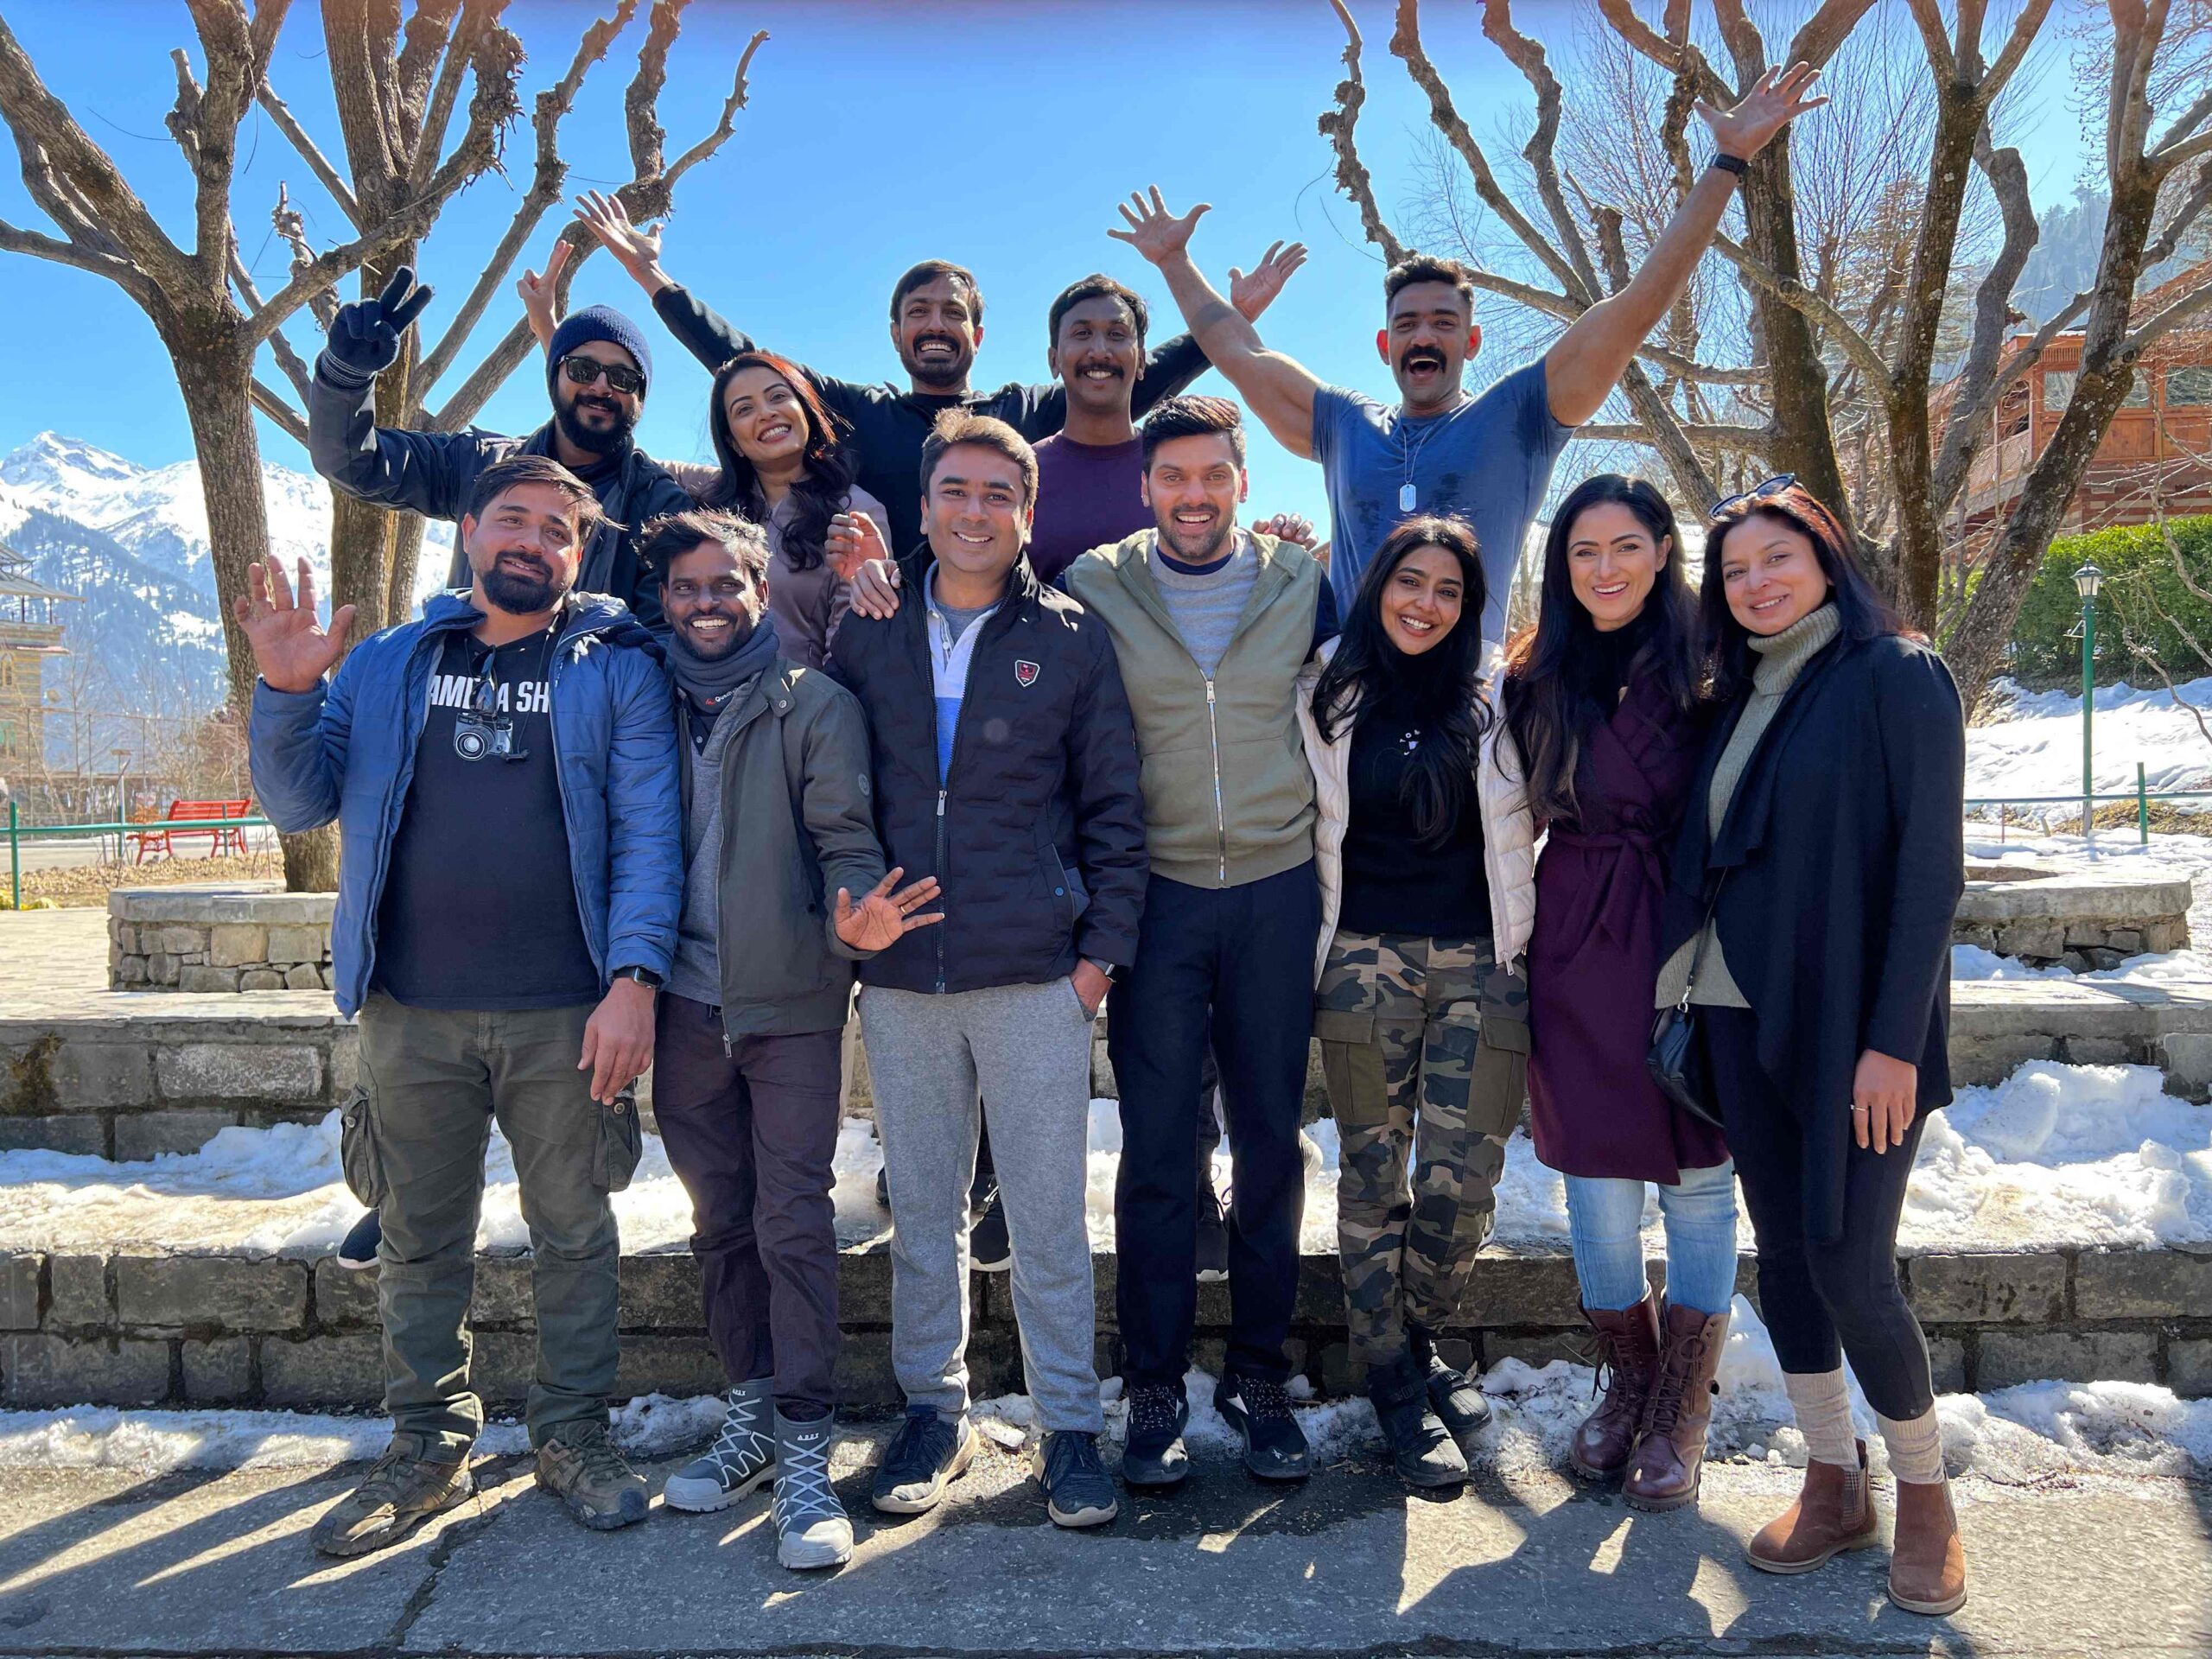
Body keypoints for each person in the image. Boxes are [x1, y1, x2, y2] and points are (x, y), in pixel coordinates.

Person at [239, 455, 683, 1552]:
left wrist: (634, 980)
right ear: (471, 532)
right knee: (419, 1236)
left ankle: (572, 1433)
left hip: (566, 1009)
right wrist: (287, 690)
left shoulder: (619, 668)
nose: (533, 540)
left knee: (575, 1230)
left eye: (558, 529)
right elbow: (298, 801)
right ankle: (427, 1441)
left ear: (581, 554)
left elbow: (649, 831)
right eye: (512, 519)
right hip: (411, 1006)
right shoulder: (388, 661)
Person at [1103, 61, 1829, 645]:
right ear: (1386, 345)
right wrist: (1174, 263)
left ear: (1470, 341)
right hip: (1345, 708)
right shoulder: (1343, 426)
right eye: (1409, 324)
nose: (1425, 336)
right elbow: (1238, 351)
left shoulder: (1521, 417)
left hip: (1468, 710)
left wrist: (1728, 159)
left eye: (1443, 323)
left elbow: (1637, 306)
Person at [829, 410, 1147, 1529]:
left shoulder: (1069, 636)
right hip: (902, 979)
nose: (975, 512)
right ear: (922, 507)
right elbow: (834, 795)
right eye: (955, 491)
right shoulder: (867, 627)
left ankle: (1069, 1427)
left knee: (1049, 1218)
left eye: (997, 494)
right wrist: (850, 920)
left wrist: (1097, 961)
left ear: (1027, 511)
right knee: (925, 1213)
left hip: (1032, 976)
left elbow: (1115, 808)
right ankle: (933, 1411)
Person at [1654, 478, 1967, 1615]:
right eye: (1734, 571)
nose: (1755, 583)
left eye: (1775, 559)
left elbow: (1930, 872)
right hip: (1742, 1016)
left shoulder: (1896, 675)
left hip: (1855, 1031)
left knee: (1850, 1263)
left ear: (1827, 558)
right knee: (1784, 1256)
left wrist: (1893, 1044)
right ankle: (1834, 1479)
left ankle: (1925, 1495)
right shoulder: (1738, 696)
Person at [639, 509, 942, 1569]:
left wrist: (856, 915)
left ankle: (807, 1446)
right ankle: (752, 1416)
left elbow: (844, 836)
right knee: (718, 1223)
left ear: (761, 592)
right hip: (680, 1006)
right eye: (687, 587)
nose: (706, 603)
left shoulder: (814, 703)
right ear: (664, 600)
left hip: (792, 1006)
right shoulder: (643, 696)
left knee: (792, 1221)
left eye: (726, 584)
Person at [1060, 397, 1336, 1489]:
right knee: (1160, 1147)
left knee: (1270, 1143)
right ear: (1144, 486)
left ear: (1242, 481)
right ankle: (1155, 1382)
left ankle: (1258, 1374)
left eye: (1212, 474)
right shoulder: (1095, 586)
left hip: (1275, 888)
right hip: (1158, 897)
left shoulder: (1299, 581)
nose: (1192, 495)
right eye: (1171, 476)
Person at [563, 189, 1305, 555]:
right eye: (918, 313)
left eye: (952, 313)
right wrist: (655, 280)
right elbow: (749, 364)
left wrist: (1224, 327)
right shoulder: (861, 411)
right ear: (896, 334)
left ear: (977, 334)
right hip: (884, 629)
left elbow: (1122, 378)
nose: (936, 325)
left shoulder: (1023, 413)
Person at [1503, 475, 1733, 1508]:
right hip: (1575, 937)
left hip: (1691, 931)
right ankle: (1629, 1382)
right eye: (1583, 550)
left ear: (1662, 550)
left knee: (1699, 1174)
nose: (1605, 568)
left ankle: (1682, 1405)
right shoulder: (1535, 674)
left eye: (1625, 545)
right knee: (1593, 1179)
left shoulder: (1715, 661)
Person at [1296, 515, 1535, 1491]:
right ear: (1377, 585)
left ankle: (1422, 1332)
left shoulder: (1500, 693)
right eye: (1410, 582)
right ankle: (1391, 1373)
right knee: (1372, 1172)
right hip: (1362, 960)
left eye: (1448, 590)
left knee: (1463, 1177)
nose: (1425, 604)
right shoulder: (1323, 685)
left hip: (1484, 961)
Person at [307, 266, 691, 632]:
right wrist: (346, 377)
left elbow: (666, 638)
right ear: (554, 377)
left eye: (623, 378)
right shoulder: (480, 463)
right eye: (583, 370)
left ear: (641, 398)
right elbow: (354, 464)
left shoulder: (661, 507)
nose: (601, 387)